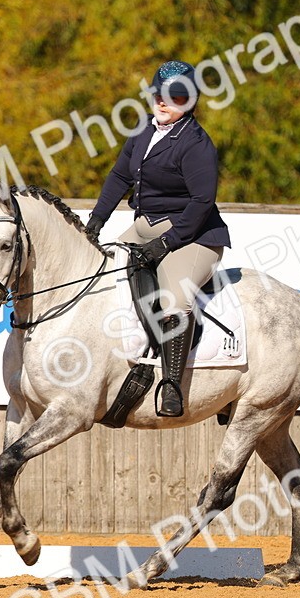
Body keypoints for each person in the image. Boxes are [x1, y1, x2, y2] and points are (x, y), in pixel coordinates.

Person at [86, 60, 230, 418]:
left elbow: (202, 202)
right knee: (101, 271)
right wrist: (94, 224)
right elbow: (119, 177)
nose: (164, 102)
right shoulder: (143, 132)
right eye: (159, 95)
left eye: (176, 97)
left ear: (191, 102)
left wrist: (167, 244)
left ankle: (171, 385)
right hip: (145, 224)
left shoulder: (197, 144)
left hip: (194, 234)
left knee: (174, 300)